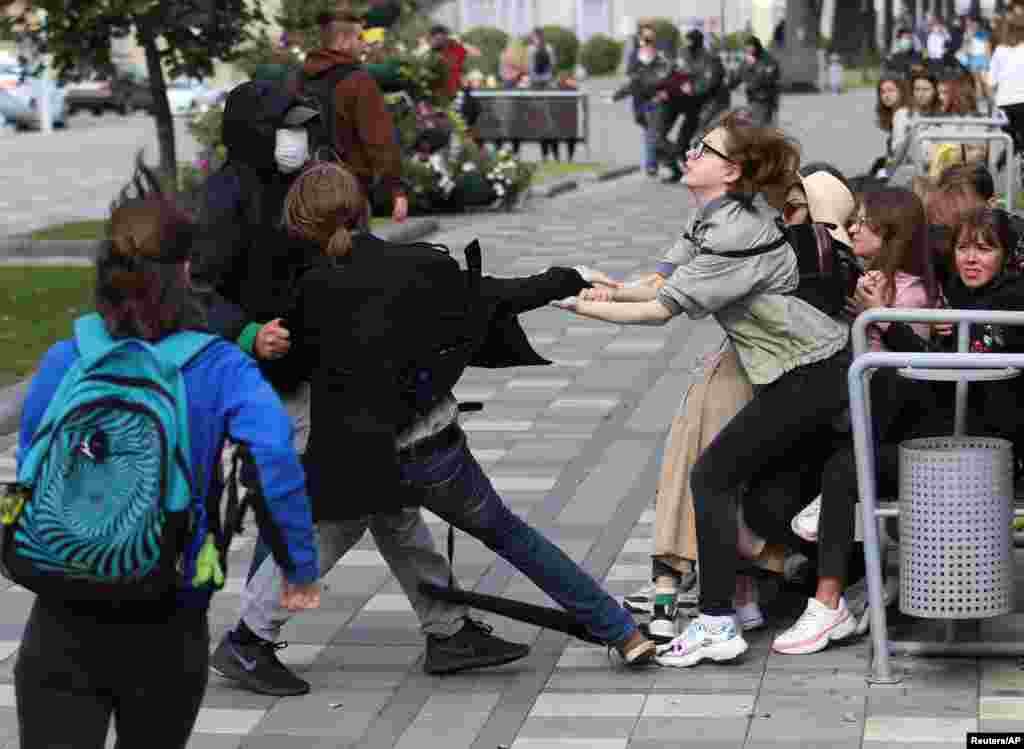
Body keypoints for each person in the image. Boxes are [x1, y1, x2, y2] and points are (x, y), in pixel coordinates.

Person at [237, 162, 659, 670]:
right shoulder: (419, 266)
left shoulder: (306, 292)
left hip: (359, 455)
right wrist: (569, 277)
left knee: (360, 530)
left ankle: (442, 633)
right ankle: (614, 629)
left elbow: (289, 373)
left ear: (300, 224)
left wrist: (263, 347)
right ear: (361, 209)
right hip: (429, 450)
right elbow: (496, 295)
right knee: (506, 535)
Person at [12, 161, 321, 749]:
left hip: (60, 611)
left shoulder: (65, 358)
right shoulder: (219, 365)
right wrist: (298, 565)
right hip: (167, 612)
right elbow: (276, 457)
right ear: (186, 272)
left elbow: (32, 461)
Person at [554, 111, 852, 668]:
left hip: (815, 371)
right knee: (737, 488)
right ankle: (730, 611)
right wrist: (601, 288)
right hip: (798, 373)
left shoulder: (737, 231)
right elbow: (658, 282)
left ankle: (719, 620)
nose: (691, 154)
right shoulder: (710, 219)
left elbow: (660, 311)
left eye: (704, 148)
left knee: (712, 476)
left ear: (731, 170)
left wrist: (584, 309)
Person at [789, 207, 1024, 647]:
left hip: (987, 459)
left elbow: (956, 369)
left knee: (885, 389)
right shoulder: (956, 292)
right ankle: (828, 603)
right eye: (963, 247)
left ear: (1008, 257)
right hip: (942, 442)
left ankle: (830, 601)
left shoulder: (1014, 302)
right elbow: (912, 229)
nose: (971, 258)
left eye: (985, 249)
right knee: (847, 460)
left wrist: (884, 317)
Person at [298, 11, 407, 226]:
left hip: (304, 191)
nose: (364, 46)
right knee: (352, 256)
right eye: (360, 39)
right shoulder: (358, 81)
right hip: (349, 193)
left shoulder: (297, 80)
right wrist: (396, 189)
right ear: (342, 41)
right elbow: (379, 140)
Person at [657, 29, 728, 183]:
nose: (688, 44)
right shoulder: (683, 56)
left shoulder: (709, 59)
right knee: (672, 140)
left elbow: (711, 81)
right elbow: (673, 75)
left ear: (699, 41)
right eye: (686, 40)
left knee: (697, 138)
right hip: (689, 103)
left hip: (709, 104)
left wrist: (694, 88)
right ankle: (678, 169)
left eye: (691, 41)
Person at [612, 26, 674, 177]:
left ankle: (652, 164)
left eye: (652, 40)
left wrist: (664, 91)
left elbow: (667, 77)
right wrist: (617, 95)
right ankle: (672, 155)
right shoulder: (634, 57)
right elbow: (631, 80)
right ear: (640, 40)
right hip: (639, 102)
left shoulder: (661, 57)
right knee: (652, 134)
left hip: (656, 101)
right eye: (646, 40)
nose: (649, 43)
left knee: (651, 133)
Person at [988, 14, 1024, 152]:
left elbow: (991, 82)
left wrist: (994, 106)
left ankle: (1003, 165)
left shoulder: (999, 50)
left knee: (1011, 142)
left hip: (1004, 103)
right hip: (1022, 101)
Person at [728, 36, 781, 126]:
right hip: (753, 100)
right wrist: (728, 85)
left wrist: (753, 67)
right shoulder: (747, 61)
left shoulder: (768, 60)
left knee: (761, 127)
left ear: (756, 46)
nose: (748, 49)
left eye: (750, 46)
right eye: (747, 47)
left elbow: (768, 79)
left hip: (766, 99)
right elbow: (738, 77)